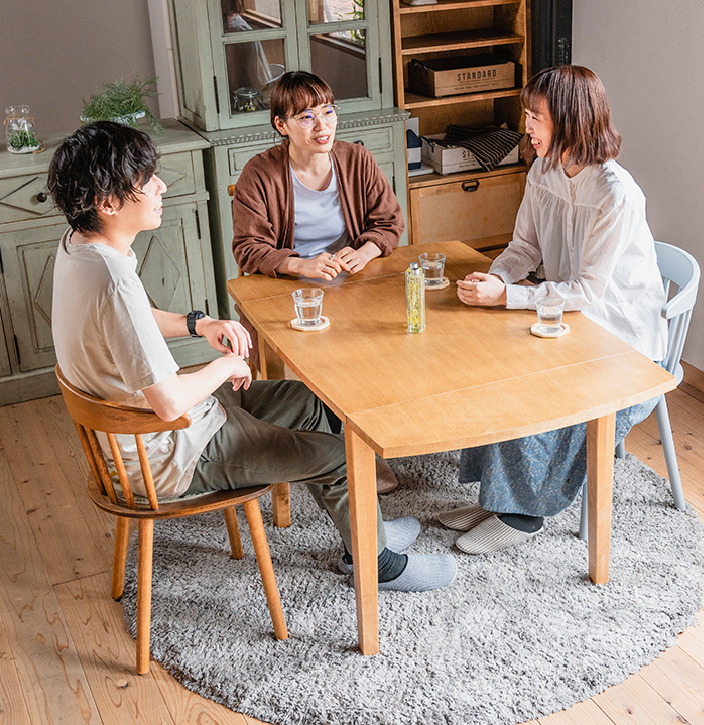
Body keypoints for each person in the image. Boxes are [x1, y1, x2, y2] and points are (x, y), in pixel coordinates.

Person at [48, 121, 456, 592]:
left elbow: (132, 316)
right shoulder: (111, 280)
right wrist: (225, 365)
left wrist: (198, 324)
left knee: (314, 402)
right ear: (108, 203)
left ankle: (367, 533)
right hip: (169, 451)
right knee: (344, 457)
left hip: (161, 429)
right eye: (145, 180)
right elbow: (168, 403)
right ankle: (377, 565)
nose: (160, 185)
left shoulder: (81, 248)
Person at [440, 65, 668, 555]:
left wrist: (511, 298)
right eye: (527, 114)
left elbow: (588, 291)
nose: (527, 125)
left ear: (569, 119)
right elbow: (524, 247)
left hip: (621, 334)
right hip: (568, 313)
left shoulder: (615, 193)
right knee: (493, 357)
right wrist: (497, 278)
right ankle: (497, 496)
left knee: (535, 374)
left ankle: (525, 514)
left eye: (536, 115)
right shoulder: (542, 171)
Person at [232, 70, 405, 493]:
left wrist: (364, 251)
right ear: (281, 125)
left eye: (328, 112)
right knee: (330, 367)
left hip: (354, 283)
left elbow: (390, 222)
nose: (322, 125)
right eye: (306, 117)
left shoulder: (356, 159)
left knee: (392, 342)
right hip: (289, 292)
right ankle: (344, 456)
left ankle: (376, 441)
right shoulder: (260, 172)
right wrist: (300, 265)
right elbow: (248, 249)